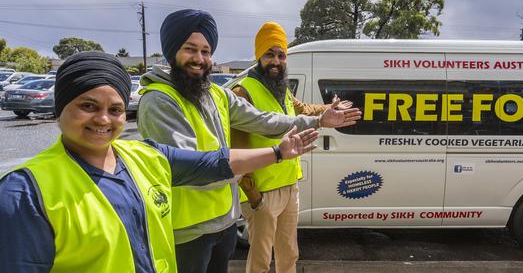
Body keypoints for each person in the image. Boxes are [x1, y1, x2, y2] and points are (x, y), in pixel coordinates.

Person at [0, 51, 319, 273]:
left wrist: (278, 153)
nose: (103, 119)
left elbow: (212, 162)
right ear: (61, 109)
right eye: (87, 105)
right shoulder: (25, 193)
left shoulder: (143, 156)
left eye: (115, 109)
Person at [137, 9, 361, 273]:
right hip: (189, 229)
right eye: (190, 49)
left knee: (288, 253)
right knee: (261, 259)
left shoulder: (218, 94)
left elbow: (270, 120)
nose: (199, 59)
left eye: (206, 52)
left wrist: (321, 118)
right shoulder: (161, 100)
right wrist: (265, 172)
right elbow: (189, 165)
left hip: (225, 221)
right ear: (172, 52)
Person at [230, 22, 351, 273]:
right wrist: (254, 197)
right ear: (259, 56)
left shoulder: (281, 88)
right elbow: (237, 150)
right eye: (270, 54)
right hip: (262, 192)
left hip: (289, 187)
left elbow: (304, 109)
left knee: (289, 255)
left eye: (281, 55)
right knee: (261, 260)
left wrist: (329, 108)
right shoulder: (243, 92)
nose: (276, 61)